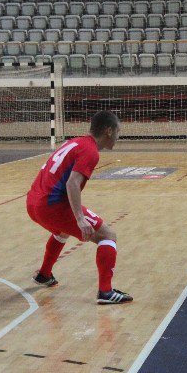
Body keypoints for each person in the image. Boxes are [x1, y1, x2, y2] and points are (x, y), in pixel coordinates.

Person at [26, 111, 133, 304]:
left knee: (62, 231)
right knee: (108, 235)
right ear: (108, 131)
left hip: (33, 202)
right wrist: (80, 219)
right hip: (51, 205)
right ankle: (105, 292)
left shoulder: (75, 142)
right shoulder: (90, 151)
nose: (119, 136)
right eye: (118, 131)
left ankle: (44, 273)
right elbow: (72, 184)